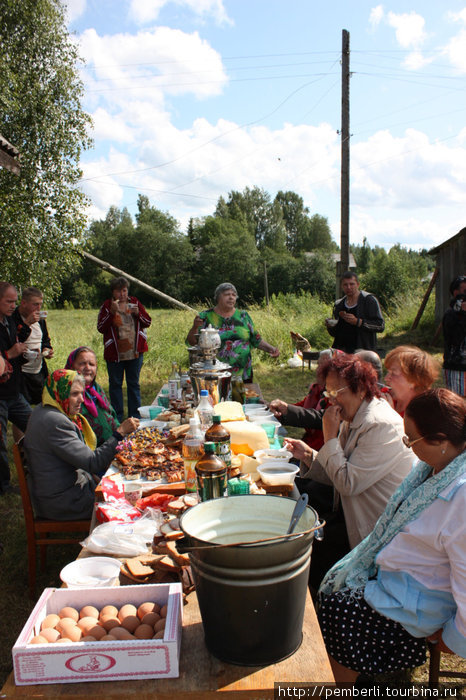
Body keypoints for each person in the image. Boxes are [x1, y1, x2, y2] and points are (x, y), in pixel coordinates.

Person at [317, 388, 466, 682]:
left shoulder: (461, 496)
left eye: (411, 438)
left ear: (442, 442)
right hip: (401, 582)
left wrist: (453, 637)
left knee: (338, 612)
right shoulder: (434, 468)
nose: (407, 445)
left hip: (421, 602)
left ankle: (344, 685)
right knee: (331, 587)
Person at [285, 353, 414, 589]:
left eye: (337, 392)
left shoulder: (381, 424)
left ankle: (315, 615)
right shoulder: (354, 414)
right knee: (293, 532)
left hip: (374, 532)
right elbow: (341, 471)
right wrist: (308, 456)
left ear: (362, 389)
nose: (330, 400)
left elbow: (347, 482)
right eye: (328, 392)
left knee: (303, 554)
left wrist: (329, 437)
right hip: (349, 515)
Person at [23, 369, 139, 521]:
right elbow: (92, 462)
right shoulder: (54, 422)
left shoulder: (45, 409)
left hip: (59, 493)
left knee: (127, 480)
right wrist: (120, 433)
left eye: (82, 393)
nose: (81, 400)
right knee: (133, 500)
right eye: (74, 394)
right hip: (63, 502)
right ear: (60, 393)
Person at [186, 282, 279, 382]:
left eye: (234, 295)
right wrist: (195, 327)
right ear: (218, 297)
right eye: (227, 294)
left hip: (243, 373)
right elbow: (192, 342)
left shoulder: (243, 316)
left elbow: (256, 339)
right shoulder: (206, 316)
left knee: (244, 397)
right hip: (215, 373)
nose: (231, 297)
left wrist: (271, 349)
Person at [97, 277, 151, 422]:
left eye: (124, 290)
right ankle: (118, 418)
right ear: (113, 292)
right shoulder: (108, 305)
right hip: (115, 353)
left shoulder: (134, 303)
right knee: (115, 385)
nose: (122, 294)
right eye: (118, 291)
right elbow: (101, 328)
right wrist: (111, 314)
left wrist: (138, 313)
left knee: (133, 384)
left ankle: (135, 416)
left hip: (134, 351)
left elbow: (148, 322)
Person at [0, 282, 32, 495]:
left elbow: (19, 337)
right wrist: (10, 353)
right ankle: (3, 486)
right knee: (0, 442)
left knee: (36, 425)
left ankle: (37, 468)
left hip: (14, 392)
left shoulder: (9, 321)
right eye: (8, 301)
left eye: (14, 301)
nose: (13, 305)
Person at [65, 346, 120, 446]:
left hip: (114, 443)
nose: (88, 368)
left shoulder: (96, 388)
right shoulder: (67, 392)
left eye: (92, 364)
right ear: (72, 366)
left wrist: (121, 431)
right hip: (92, 453)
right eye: (82, 363)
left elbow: (112, 414)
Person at [13, 286, 54, 405]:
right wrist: (26, 324)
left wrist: (47, 349)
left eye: (40, 304)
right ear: (24, 303)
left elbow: (45, 340)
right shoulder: (12, 318)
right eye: (35, 304)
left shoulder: (40, 319)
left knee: (43, 406)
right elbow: (12, 340)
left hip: (38, 371)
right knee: (23, 413)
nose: (38, 308)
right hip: (21, 373)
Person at [325, 271, 384, 353]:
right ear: (341, 286)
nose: (348, 287)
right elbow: (335, 334)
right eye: (345, 285)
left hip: (363, 352)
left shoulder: (368, 300)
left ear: (358, 284)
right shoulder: (339, 304)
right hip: (342, 352)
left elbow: (380, 325)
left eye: (351, 284)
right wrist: (330, 326)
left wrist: (358, 322)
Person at [384, 345, 439, 415]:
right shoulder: (385, 396)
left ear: (414, 381)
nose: (386, 378)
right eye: (388, 372)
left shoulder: (423, 413)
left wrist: (389, 414)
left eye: (393, 373)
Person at [442, 275, 466, 397]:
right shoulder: (451, 314)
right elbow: (456, 339)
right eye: (464, 290)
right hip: (457, 367)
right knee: (458, 404)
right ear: (456, 293)